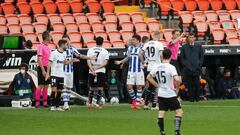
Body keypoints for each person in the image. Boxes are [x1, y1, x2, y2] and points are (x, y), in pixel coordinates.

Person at [147, 49, 183, 135]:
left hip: (161, 93)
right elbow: (177, 79)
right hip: (170, 94)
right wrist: (177, 88)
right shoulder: (171, 67)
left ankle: (162, 132)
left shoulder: (157, 66)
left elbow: (148, 77)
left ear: (162, 56)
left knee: (161, 113)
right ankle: (177, 132)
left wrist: (157, 85)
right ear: (171, 56)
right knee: (179, 112)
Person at [61, 35, 96, 111]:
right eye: (64, 41)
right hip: (62, 71)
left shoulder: (71, 48)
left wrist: (89, 57)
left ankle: (65, 104)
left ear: (69, 41)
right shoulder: (60, 50)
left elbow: (79, 55)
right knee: (64, 87)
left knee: (68, 88)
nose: (66, 42)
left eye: (67, 41)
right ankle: (65, 104)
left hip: (70, 71)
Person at [115, 34, 145, 109]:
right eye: (132, 39)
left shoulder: (143, 48)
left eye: (134, 40)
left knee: (139, 86)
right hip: (131, 70)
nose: (132, 41)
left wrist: (142, 60)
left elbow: (144, 59)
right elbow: (128, 57)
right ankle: (136, 100)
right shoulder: (130, 48)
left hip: (139, 70)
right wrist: (121, 62)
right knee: (129, 86)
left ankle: (137, 103)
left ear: (138, 40)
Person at [139, 31, 164, 110]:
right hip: (157, 67)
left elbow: (140, 54)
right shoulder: (159, 44)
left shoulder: (147, 44)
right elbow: (161, 55)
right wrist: (163, 63)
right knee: (156, 86)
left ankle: (146, 104)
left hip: (150, 67)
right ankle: (154, 105)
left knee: (149, 86)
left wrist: (143, 62)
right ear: (158, 35)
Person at [45, 40, 69, 111]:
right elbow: (49, 63)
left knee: (59, 91)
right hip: (54, 75)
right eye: (66, 45)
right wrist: (47, 73)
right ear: (62, 45)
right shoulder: (53, 53)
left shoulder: (65, 53)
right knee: (54, 90)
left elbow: (64, 63)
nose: (67, 46)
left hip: (61, 75)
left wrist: (70, 61)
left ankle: (57, 106)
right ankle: (52, 106)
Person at [87, 37, 109, 109]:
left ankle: (89, 103)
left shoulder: (90, 50)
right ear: (102, 42)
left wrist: (92, 69)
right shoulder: (105, 51)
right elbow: (105, 63)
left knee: (92, 87)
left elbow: (88, 60)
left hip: (92, 69)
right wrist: (97, 68)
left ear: (95, 42)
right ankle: (97, 104)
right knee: (100, 87)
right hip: (101, 70)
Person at [181, 33, 204, 102]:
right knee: (189, 85)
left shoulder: (199, 46)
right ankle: (191, 99)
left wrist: (199, 64)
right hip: (188, 69)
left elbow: (201, 56)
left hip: (197, 69)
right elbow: (182, 58)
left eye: (192, 37)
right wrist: (186, 65)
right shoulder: (184, 47)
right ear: (188, 38)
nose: (191, 38)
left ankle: (197, 98)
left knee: (197, 84)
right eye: (190, 37)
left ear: (194, 38)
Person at [35, 31, 51, 107]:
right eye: (49, 36)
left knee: (46, 85)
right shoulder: (40, 46)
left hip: (47, 68)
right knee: (40, 85)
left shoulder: (48, 47)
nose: (51, 37)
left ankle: (45, 102)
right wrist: (43, 70)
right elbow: (39, 59)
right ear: (46, 37)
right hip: (42, 67)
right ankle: (37, 102)